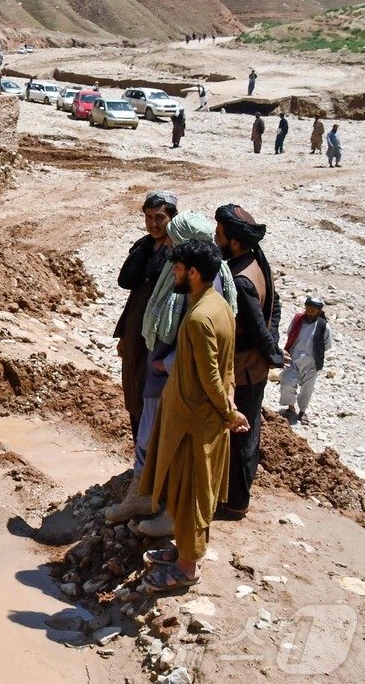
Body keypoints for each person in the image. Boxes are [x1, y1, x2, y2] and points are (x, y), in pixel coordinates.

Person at [108, 213, 237, 534]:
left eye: (172, 238)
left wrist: (166, 364)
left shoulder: (207, 285)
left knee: (180, 448)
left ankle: (173, 515)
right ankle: (144, 495)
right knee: (150, 436)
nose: (165, 243)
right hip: (163, 370)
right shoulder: (177, 271)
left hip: (180, 378)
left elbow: (202, 347)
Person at [136, 239, 248, 592]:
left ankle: (187, 567)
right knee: (190, 489)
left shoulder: (200, 318)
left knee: (191, 494)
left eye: (179, 268)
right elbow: (225, 367)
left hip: (195, 422)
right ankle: (184, 551)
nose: (174, 273)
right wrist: (228, 404)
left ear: (194, 273)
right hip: (196, 417)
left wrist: (230, 412)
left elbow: (211, 375)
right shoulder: (217, 305)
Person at [214, 204, 282, 520]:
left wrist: (272, 353)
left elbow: (256, 327)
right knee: (249, 429)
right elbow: (275, 307)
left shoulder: (241, 279)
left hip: (244, 370)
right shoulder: (256, 261)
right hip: (254, 367)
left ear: (234, 241)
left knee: (240, 433)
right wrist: (272, 346)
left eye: (219, 234)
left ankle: (236, 502)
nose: (215, 238)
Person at [114, 191, 178, 442]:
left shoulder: (177, 253)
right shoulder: (144, 247)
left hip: (159, 339)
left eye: (159, 217)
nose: (153, 223)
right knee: (134, 393)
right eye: (148, 217)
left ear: (172, 217)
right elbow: (131, 289)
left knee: (154, 399)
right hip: (135, 334)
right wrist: (123, 334)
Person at [280, 296, 333, 424]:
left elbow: (326, 345)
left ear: (319, 312)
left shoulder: (324, 327)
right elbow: (290, 333)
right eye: (308, 309)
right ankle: (290, 408)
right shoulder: (298, 319)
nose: (309, 313)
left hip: (311, 362)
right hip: (293, 357)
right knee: (287, 382)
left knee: (307, 388)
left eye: (312, 311)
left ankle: (302, 411)